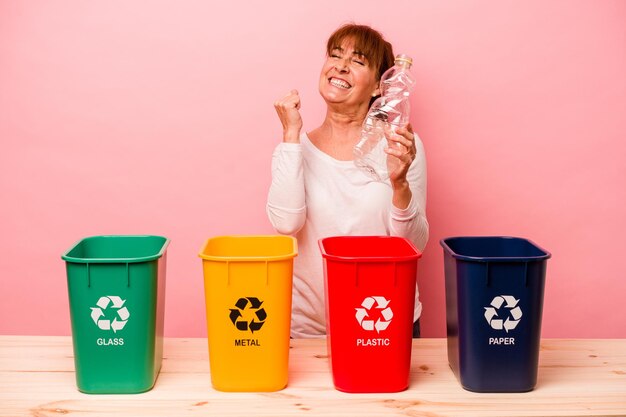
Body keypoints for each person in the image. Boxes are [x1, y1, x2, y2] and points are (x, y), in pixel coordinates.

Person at [267, 23, 428, 339]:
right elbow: (286, 223)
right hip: (309, 330)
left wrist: (400, 184)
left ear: (379, 87)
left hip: (385, 321)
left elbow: (414, 245)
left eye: (358, 60)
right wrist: (290, 135)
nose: (340, 65)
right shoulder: (294, 148)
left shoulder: (401, 146)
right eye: (335, 55)